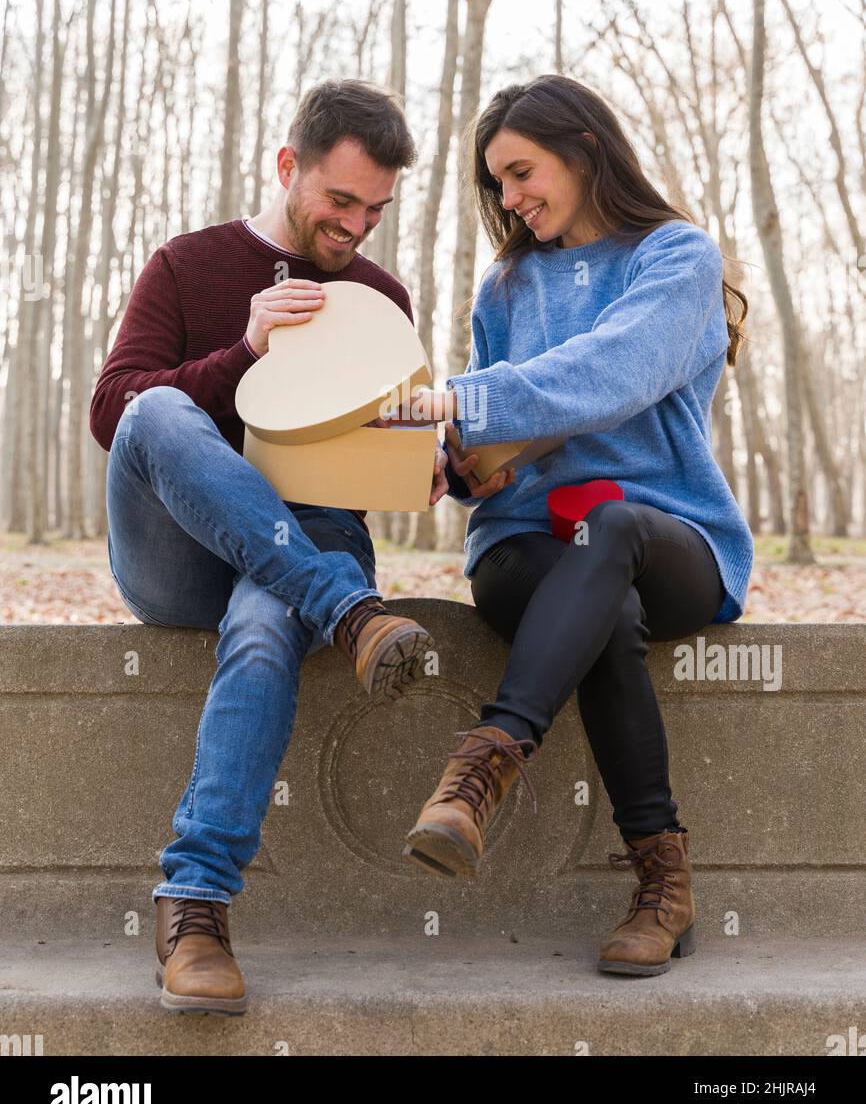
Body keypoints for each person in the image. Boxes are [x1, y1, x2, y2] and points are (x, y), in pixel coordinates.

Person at [89, 79, 448, 1015]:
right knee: (159, 406)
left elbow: (382, 466)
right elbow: (113, 413)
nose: (358, 226)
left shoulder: (380, 298)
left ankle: (194, 907)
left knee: (261, 629)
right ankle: (348, 613)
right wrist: (246, 350)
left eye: (376, 209)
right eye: (341, 201)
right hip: (177, 556)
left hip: (310, 548)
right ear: (289, 168)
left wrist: (429, 456)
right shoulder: (187, 265)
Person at [405, 74, 754, 978]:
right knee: (600, 607)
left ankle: (484, 764)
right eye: (499, 185)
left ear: (586, 147)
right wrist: (454, 457)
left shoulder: (675, 258)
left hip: (668, 538)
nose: (512, 199)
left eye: (522, 172)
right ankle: (663, 886)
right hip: (527, 546)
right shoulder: (509, 283)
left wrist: (460, 400)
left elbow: (612, 372)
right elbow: (489, 442)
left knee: (617, 533)